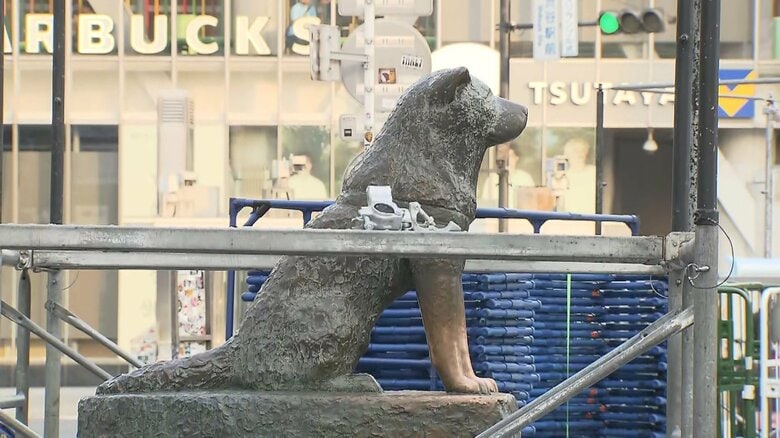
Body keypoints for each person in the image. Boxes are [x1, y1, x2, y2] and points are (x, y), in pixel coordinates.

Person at [480, 145, 535, 209]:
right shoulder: (491, 180)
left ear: (516, 158)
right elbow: (486, 205)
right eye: (504, 157)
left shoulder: (525, 178)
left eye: (510, 156)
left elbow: (532, 204)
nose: (507, 160)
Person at [559, 137, 596, 214]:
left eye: (582, 150)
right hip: (569, 218)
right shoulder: (563, 176)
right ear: (567, 154)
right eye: (575, 150)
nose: (580, 153)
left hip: (592, 218)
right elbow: (559, 205)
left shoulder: (594, 172)